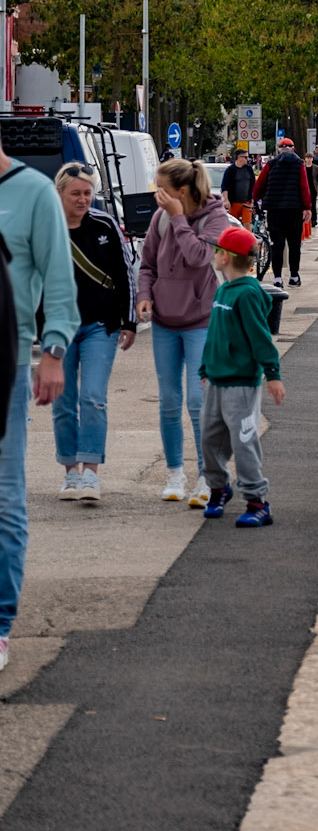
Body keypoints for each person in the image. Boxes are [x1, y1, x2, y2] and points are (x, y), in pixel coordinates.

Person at [0, 134, 79, 673]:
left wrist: (53, 351)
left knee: (5, 498)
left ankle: (0, 623)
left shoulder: (32, 192)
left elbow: (58, 281)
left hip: (6, 361)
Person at [136, 158, 230, 506]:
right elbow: (147, 264)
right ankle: (175, 473)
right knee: (169, 401)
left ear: (183, 191)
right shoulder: (159, 217)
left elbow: (198, 257)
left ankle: (209, 475)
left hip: (200, 320)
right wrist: (144, 295)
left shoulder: (214, 217)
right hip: (164, 320)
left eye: (162, 188)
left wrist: (178, 217)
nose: (156, 195)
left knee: (198, 401)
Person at [51, 164, 137, 504]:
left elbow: (124, 271)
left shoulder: (105, 224)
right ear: (60, 193)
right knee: (63, 401)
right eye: (75, 193)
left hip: (100, 326)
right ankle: (70, 472)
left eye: (87, 193)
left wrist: (129, 321)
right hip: (58, 327)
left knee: (93, 397)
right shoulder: (46, 226)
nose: (83, 199)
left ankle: (90, 472)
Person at [200, 224, 285, 527]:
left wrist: (272, 374)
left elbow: (260, 337)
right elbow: (215, 334)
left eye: (216, 250)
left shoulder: (247, 293)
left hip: (241, 383)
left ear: (226, 256)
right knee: (210, 438)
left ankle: (257, 501)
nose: (213, 254)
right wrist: (205, 368)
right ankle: (218, 488)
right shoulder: (223, 289)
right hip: (216, 380)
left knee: (243, 441)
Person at [252, 138, 313, 290]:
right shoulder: (299, 164)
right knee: (294, 245)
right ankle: (294, 276)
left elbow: (260, 184)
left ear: (279, 149)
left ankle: (278, 278)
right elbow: (304, 187)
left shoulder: (271, 164)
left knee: (277, 245)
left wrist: (256, 200)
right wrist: (307, 207)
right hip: (294, 210)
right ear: (293, 149)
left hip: (275, 210)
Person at [220, 149, 255, 228]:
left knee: (247, 223)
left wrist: (253, 199)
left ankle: (247, 236)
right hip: (234, 202)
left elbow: (253, 185)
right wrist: (226, 200)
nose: (247, 159)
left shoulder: (249, 169)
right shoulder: (230, 170)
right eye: (245, 157)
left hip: (247, 202)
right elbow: (224, 186)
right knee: (233, 224)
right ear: (239, 157)